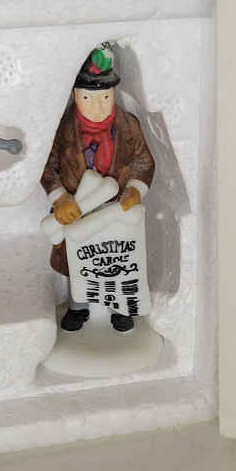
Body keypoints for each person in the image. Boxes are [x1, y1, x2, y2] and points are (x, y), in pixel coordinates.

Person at [41, 45, 156, 333]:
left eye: (105, 97)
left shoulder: (128, 126)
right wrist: (60, 198)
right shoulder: (61, 130)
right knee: (78, 259)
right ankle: (78, 305)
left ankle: (119, 307)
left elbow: (143, 161)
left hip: (115, 209)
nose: (97, 106)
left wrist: (135, 189)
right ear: (75, 95)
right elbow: (47, 167)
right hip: (77, 208)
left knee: (116, 260)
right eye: (88, 98)